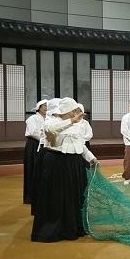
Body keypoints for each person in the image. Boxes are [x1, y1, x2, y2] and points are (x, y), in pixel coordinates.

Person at [31, 97, 98, 242]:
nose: (77, 113)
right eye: (74, 110)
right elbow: (51, 131)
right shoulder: (51, 121)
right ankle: (55, 228)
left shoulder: (76, 125)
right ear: (67, 110)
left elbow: (80, 144)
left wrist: (91, 157)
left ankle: (72, 227)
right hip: (57, 163)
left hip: (73, 164)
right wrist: (71, 121)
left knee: (73, 195)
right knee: (57, 195)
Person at [23, 99, 47, 204]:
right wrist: (45, 140)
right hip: (33, 144)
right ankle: (30, 196)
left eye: (48, 105)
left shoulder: (47, 119)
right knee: (31, 168)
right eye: (44, 105)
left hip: (42, 144)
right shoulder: (33, 118)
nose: (46, 107)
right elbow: (33, 132)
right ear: (39, 108)